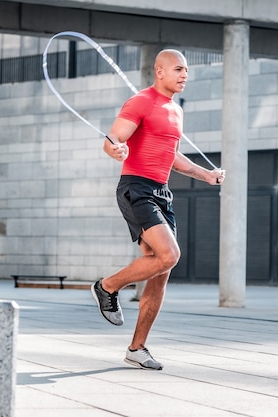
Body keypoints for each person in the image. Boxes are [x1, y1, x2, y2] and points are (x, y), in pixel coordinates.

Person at [91, 49, 225, 370]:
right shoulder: (141, 101)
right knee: (169, 255)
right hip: (136, 187)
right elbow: (112, 141)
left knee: (160, 271)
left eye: (187, 71)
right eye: (179, 69)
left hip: (161, 192)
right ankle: (106, 286)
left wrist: (206, 174)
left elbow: (173, 157)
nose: (184, 75)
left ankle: (137, 348)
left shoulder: (176, 111)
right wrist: (117, 149)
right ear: (160, 71)